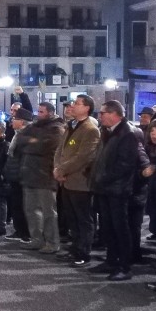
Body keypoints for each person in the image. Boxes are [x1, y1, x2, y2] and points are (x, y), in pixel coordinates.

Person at [89, 101, 149, 281]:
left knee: (120, 228)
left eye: (103, 113)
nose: (100, 116)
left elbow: (125, 164)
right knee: (108, 227)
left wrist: (103, 177)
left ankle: (124, 266)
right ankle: (111, 260)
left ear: (114, 114)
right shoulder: (108, 131)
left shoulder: (128, 133)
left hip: (118, 190)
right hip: (105, 188)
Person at [54, 94, 100, 266]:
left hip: (80, 181)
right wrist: (57, 168)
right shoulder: (71, 125)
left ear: (87, 108)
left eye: (77, 103)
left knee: (83, 219)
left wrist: (62, 169)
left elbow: (84, 157)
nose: (72, 106)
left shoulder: (90, 129)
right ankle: (74, 248)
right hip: (66, 180)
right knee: (72, 218)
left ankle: (83, 252)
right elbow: (60, 150)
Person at [18, 102, 65, 253]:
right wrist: (33, 142)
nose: (38, 114)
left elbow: (45, 146)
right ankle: (36, 240)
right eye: (38, 111)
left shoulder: (57, 128)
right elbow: (20, 139)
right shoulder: (34, 126)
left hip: (45, 175)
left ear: (50, 112)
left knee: (48, 212)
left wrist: (32, 142)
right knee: (31, 210)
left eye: (42, 111)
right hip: (30, 174)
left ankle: (52, 243)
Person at [3, 107, 32, 241]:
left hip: (21, 176)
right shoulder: (18, 134)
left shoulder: (25, 136)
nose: (12, 121)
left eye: (15, 119)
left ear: (22, 121)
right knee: (16, 204)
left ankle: (25, 232)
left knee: (22, 205)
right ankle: (19, 230)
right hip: (15, 175)